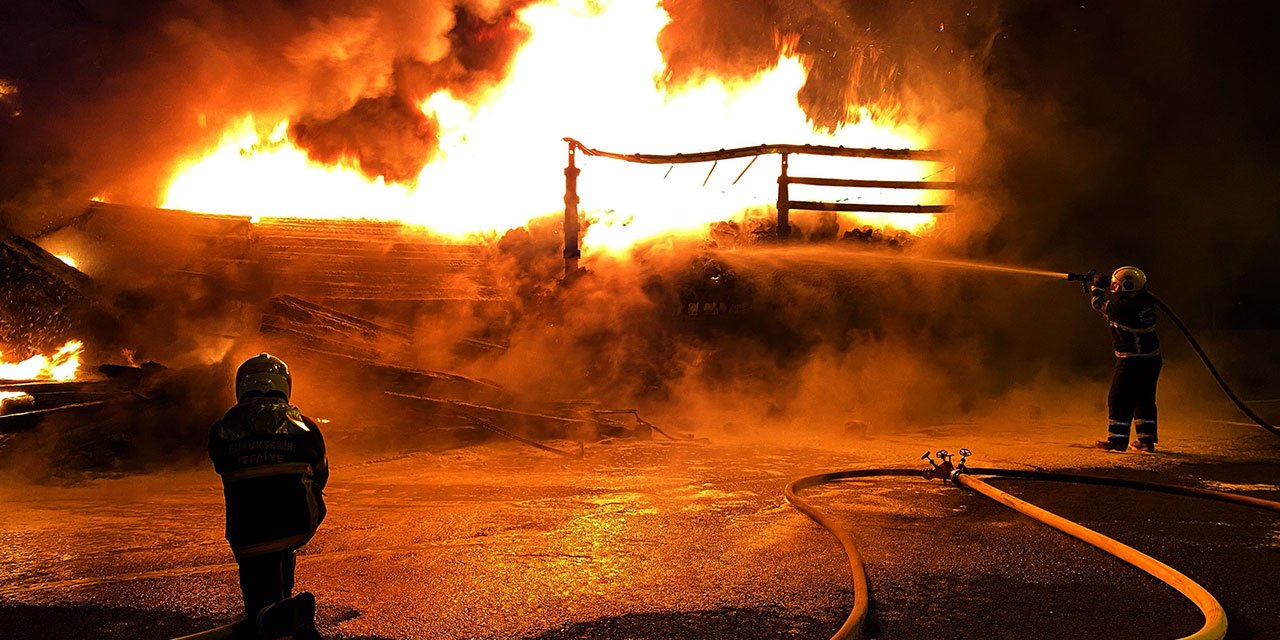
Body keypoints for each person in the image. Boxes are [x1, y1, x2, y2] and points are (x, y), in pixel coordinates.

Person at [209, 353, 328, 638]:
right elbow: (321, 475)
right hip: (297, 525)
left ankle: (280, 615)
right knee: (281, 553)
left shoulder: (222, 429)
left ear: (242, 386)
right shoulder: (305, 426)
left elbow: (221, 465)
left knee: (258, 599)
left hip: (247, 533)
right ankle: (284, 609)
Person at [1088, 267, 1161, 452]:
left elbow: (1098, 303)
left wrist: (1097, 287)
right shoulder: (1145, 301)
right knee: (1144, 398)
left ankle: (1117, 440)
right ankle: (1147, 440)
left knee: (1119, 398)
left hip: (1131, 361)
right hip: (1151, 360)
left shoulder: (1121, 308)